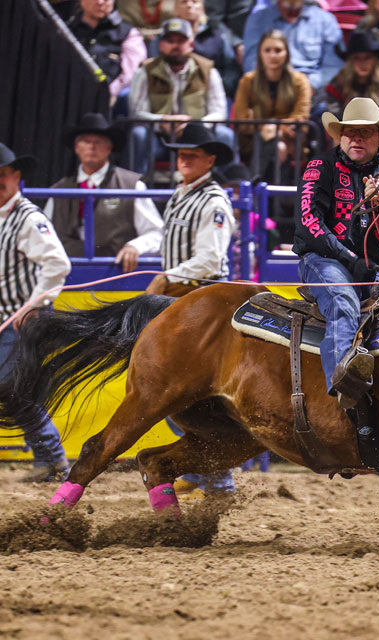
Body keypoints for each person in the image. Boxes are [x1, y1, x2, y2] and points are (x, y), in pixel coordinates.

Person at [293, 97, 379, 409]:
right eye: (349, 132)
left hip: (369, 269)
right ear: (340, 136)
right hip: (321, 261)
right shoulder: (319, 166)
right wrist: (350, 261)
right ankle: (343, 392)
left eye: (364, 133)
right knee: (343, 302)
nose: (356, 139)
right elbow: (309, 222)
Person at [145, 123, 235, 494]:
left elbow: (210, 258)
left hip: (204, 304)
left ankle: (215, 473)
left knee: (192, 390)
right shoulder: (182, 194)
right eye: (180, 153)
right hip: (187, 302)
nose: (183, 159)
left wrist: (168, 275)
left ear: (209, 159)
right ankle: (205, 472)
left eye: (192, 154)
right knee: (184, 391)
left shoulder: (213, 201)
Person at [0, 144, 72, 483]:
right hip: (7, 319)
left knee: (11, 385)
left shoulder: (29, 218)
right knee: (12, 388)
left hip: (23, 319)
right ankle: (50, 458)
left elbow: (57, 263)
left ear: (16, 176)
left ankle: (52, 457)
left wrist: (33, 305)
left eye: (3, 174)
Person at [45, 113, 163, 271]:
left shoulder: (131, 186)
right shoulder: (59, 190)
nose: (92, 147)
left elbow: (156, 232)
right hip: (68, 272)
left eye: (98, 142)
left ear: (109, 148)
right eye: (86, 141)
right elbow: (43, 237)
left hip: (115, 272)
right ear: (76, 148)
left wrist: (135, 247)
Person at [128, 17, 234, 176]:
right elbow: (136, 111)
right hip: (159, 137)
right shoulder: (145, 71)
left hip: (199, 135)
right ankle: (134, 190)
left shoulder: (207, 70)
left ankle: (225, 186)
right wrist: (162, 121)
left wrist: (193, 125)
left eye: (181, 40)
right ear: (161, 45)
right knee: (139, 134)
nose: (175, 46)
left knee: (225, 134)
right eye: (170, 41)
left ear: (191, 44)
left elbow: (219, 111)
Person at [234, 30, 312, 181]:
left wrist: (275, 128)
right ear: (260, 54)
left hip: (292, 142)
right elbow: (242, 121)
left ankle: (253, 187)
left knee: (280, 147)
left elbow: (301, 121)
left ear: (287, 53)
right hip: (253, 142)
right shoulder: (247, 81)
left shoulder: (300, 81)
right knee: (278, 148)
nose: (272, 55)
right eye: (267, 50)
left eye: (278, 50)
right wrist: (267, 128)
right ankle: (275, 202)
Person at [242, 0, 344, 96]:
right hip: (270, 91)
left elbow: (333, 65)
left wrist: (309, 85)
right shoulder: (257, 20)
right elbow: (251, 63)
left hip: (314, 93)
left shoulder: (325, 20)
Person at [146, 0, 242, 98]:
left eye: (195, 2)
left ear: (202, 9)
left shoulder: (216, 35)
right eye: (184, 2)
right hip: (168, 93)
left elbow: (231, 69)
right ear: (175, 9)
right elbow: (154, 68)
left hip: (213, 92)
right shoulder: (162, 38)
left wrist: (216, 88)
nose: (189, 5)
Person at [68, 0, 147, 108]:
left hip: (111, 102)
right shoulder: (67, 30)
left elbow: (131, 74)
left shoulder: (128, 33)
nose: (100, 2)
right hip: (70, 97)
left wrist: (110, 92)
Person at [324, 31, 379, 119]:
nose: (362, 63)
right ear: (350, 62)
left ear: (375, 60)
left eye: (368, 57)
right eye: (357, 58)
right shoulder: (337, 85)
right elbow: (333, 117)